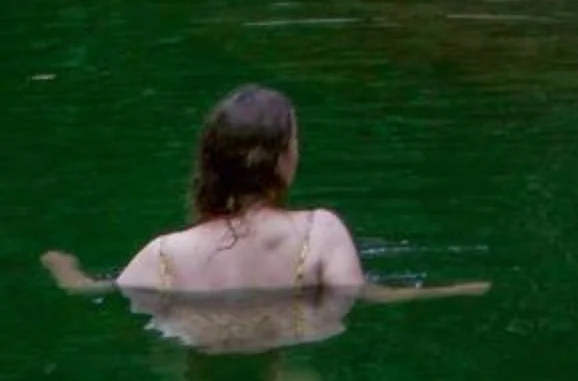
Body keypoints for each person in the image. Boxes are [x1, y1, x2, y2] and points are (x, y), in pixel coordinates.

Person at [41, 84, 485, 309]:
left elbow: (89, 291)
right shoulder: (320, 231)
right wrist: (458, 290)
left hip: (204, 341)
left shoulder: (165, 254)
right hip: (300, 331)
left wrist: (60, 265)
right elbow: (367, 295)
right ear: (283, 160)